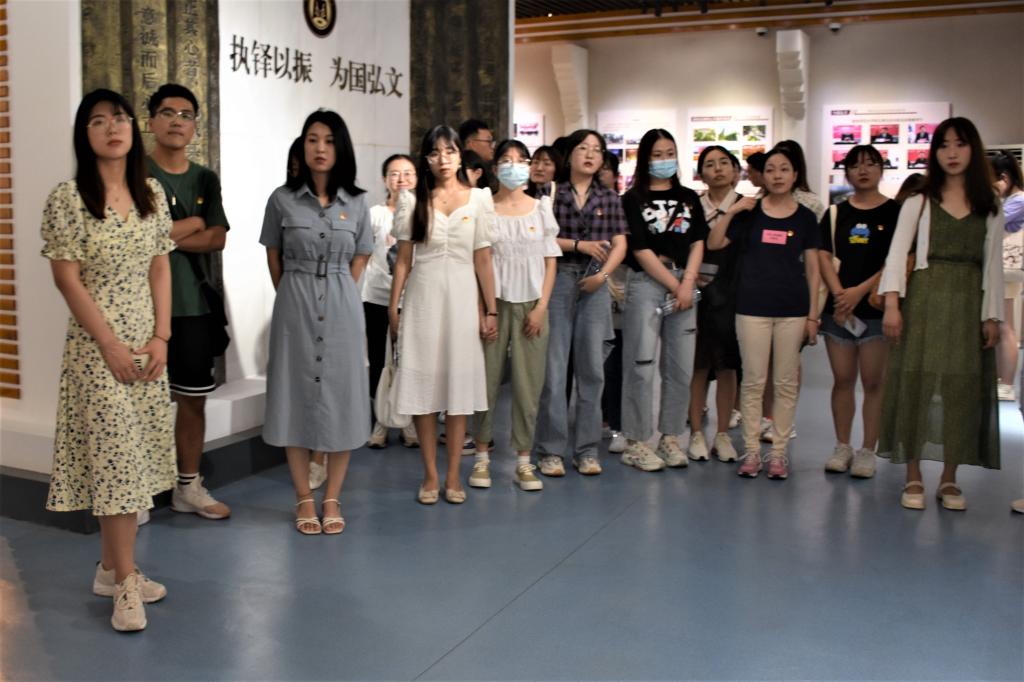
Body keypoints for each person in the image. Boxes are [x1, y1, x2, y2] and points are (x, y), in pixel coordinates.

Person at [42, 89, 176, 631]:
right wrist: (110, 345)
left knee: (132, 458)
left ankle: (109, 568)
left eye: (119, 118)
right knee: (116, 461)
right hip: (97, 350)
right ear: (85, 135)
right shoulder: (69, 198)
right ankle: (125, 582)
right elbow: (66, 278)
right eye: (98, 121)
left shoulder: (151, 193)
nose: (112, 128)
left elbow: (160, 266)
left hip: (146, 345)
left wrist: (162, 337)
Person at [878, 117, 1003, 511]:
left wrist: (992, 315)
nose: (952, 153)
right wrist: (893, 305)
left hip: (968, 302)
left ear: (973, 149)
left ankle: (949, 478)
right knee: (916, 382)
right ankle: (913, 473)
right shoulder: (920, 200)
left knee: (960, 389)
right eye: (944, 145)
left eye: (960, 144)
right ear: (934, 153)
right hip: (925, 299)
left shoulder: (989, 205)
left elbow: (993, 265)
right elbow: (897, 254)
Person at [260, 110, 373, 534]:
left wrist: (340, 288)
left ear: (340, 147)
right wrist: (294, 291)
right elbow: (273, 255)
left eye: (328, 140)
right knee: (293, 397)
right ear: (302, 146)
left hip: (343, 303)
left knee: (342, 399)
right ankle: (304, 498)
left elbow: (361, 254)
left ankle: (332, 497)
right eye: (312, 139)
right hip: (295, 302)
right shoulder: (281, 199)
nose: (320, 148)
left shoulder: (358, 202)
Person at [389, 125, 497, 504]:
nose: (443, 159)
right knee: (423, 387)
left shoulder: (479, 199)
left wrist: (491, 309)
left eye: (449, 151)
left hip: (463, 300)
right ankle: (430, 475)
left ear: (459, 155)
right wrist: (394, 305)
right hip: (423, 299)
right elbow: (403, 261)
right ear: (426, 159)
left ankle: (453, 475)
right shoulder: (412, 201)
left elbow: (483, 259)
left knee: (458, 388)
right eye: (434, 153)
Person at [707, 144, 821, 480]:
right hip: (751, 308)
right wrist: (733, 211)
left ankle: (779, 454)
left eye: (784, 169)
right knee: (753, 382)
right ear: (761, 176)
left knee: (785, 383)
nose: (777, 176)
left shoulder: (805, 217)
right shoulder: (750, 213)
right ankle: (752, 451)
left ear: (795, 175)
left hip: (792, 309)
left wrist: (813, 315)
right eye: (770, 170)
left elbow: (814, 269)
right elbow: (714, 243)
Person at [145, 83, 232, 521]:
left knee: (192, 400)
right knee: (139, 401)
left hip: (194, 305)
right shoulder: (134, 173)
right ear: (150, 122)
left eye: (186, 114)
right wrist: (189, 223)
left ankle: (188, 486)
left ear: (195, 125)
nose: (177, 121)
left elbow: (217, 238)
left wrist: (163, 234)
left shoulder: (204, 178)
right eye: (167, 112)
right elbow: (134, 238)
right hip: (141, 309)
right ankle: (136, 492)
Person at [534, 129, 628, 476]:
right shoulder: (549, 192)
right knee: (554, 370)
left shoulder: (609, 197)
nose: (590, 154)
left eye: (597, 150)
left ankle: (587, 450)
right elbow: (540, 237)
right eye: (583, 148)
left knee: (592, 371)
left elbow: (620, 243)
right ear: (570, 154)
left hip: (595, 280)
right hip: (557, 277)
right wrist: (578, 245)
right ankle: (550, 450)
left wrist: (603, 276)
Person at [469, 140, 561, 491]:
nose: (514, 166)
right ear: (495, 168)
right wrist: (484, 310)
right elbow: (478, 263)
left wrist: (541, 307)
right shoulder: (484, 208)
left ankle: (524, 461)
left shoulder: (541, 208)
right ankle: (481, 456)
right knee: (486, 381)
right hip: (494, 304)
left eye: (521, 160)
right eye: (506, 160)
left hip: (532, 306)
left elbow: (550, 261)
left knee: (528, 384)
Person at [619, 129, 707, 472]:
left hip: (685, 281)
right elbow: (640, 249)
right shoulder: (632, 199)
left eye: (670, 153)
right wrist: (675, 285)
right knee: (640, 364)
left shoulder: (689, 197)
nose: (664, 159)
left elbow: (698, 241)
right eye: (657, 154)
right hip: (647, 283)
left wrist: (687, 282)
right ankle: (636, 441)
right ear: (645, 158)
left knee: (680, 366)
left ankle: (670, 437)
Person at [817, 145, 899, 478]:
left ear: (881, 169)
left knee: (874, 382)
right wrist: (840, 294)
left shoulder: (895, 212)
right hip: (838, 311)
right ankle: (842, 446)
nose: (863, 170)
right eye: (855, 165)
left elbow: (896, 262)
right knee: (842, 380)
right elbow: (823, 256)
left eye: (870, 164)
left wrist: (858, 291)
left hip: (876, 309)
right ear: (847, 172)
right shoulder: (835, 213)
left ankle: (867, 450)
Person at [689, 146, 744, 463]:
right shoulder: (693, 207)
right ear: (701, 174)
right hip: (697, 295)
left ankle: (722, 434)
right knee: (697, 365)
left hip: (733, 296)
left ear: (736, 171)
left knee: (728, 366)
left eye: (724, 162)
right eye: (710, 164)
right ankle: (696, 433)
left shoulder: (747, 207)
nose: (718, 169)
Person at [364, 154, 420, 449]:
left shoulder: (423, 213)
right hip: (376, 297)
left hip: (413, 299)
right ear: (385, 180)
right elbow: (361, 255)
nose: (401, 179)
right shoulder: (374, 214)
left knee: (409, 361)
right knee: (378, 361)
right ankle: (381, 421)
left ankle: (407, 420)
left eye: (408, 173)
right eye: (395, 174)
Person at [990, 151, 1024, 401]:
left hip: (1007, 267)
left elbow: (993, 224)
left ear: (1004, 177)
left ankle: (1007, 382)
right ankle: (1002, 380)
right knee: (1002, 324)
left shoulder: (1017, 201)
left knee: (1006, 326)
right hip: (1001, 268)